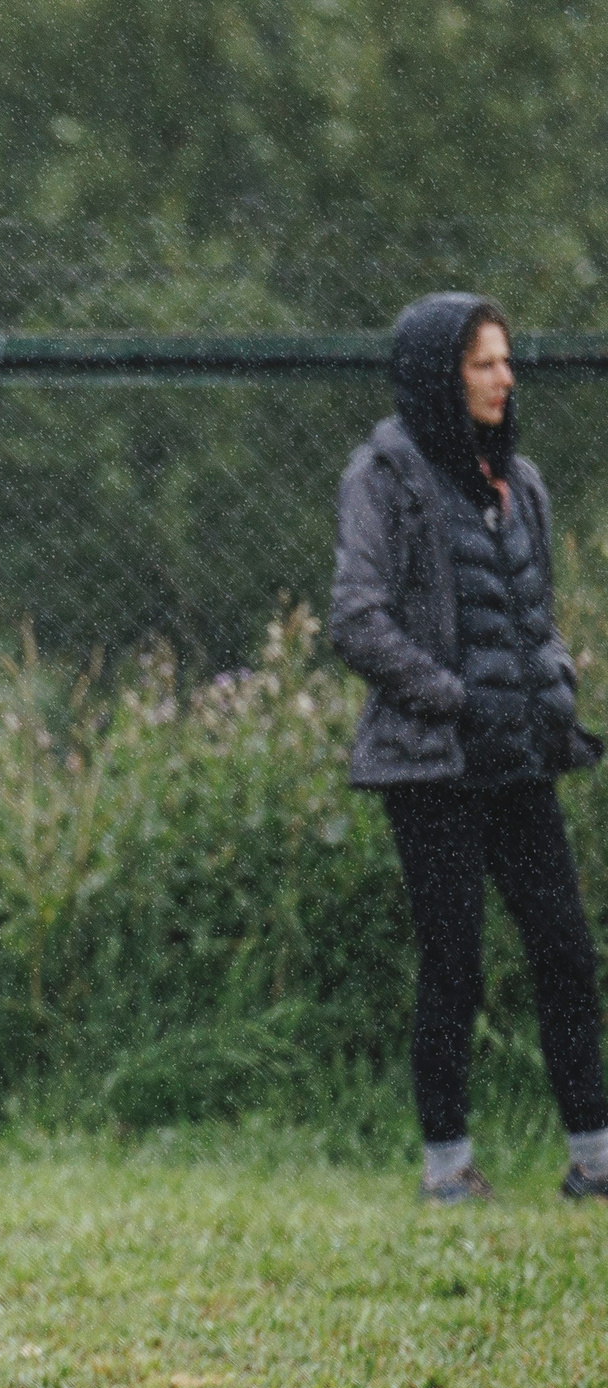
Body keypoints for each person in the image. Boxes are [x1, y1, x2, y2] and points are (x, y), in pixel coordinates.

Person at [329, 291, 608, 1205]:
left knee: (566, 949)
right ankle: (446, 1167)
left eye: (505, 360)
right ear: (439, 376)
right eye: (483, 363)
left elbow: (538, 614)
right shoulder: (383, 475)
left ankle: (594, 1157)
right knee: (455, 960)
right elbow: (356, 618)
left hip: (522, 759)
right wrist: (454, 698)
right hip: (433, 766)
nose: (504, 377)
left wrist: (554, 676)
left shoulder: (518, 479)